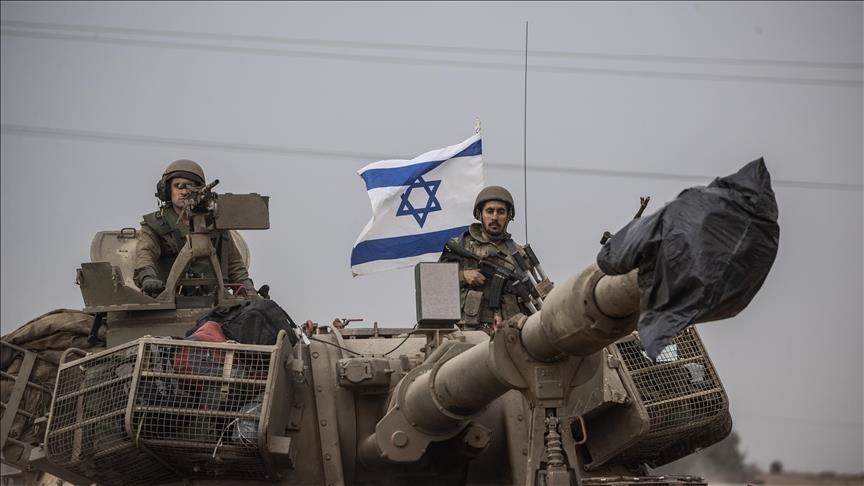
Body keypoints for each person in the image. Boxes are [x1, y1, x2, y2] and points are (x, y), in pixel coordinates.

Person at [133, 159, 255, 297]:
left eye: (189, 187)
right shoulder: (156, 224)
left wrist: (248, 289)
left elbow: (234, 265)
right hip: (168, 298)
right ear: (166, 190)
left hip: (214, 300)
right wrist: (148, 278)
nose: (184, 192)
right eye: (178, 186)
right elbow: (145, 255)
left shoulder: (215, 223)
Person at [439, 185, 551, 332]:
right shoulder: (462, 246)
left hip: (512, 331)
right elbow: (433, 284)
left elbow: (535, 295)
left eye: (501, 212)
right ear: (480, 214)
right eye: (489, 211)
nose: (495, 217)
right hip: (469, 332)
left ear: (509, 216)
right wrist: (463, 276)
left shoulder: (518, 254)